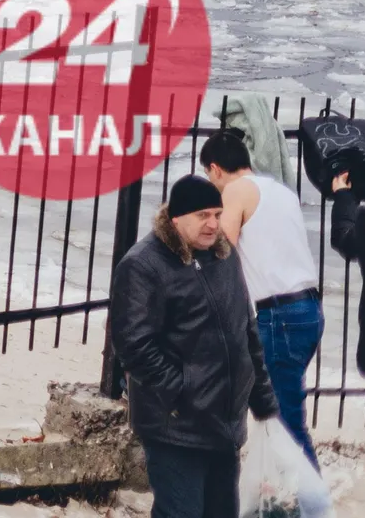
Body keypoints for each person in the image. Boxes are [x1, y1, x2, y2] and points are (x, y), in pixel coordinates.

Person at [114, 170, 277, 518]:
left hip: (225, 424)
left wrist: (262, 397)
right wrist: (182, 394)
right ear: (175, 219)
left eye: (217, 215)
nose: (213, 224)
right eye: (202, 216)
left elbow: (245, 328)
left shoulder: (224, 256)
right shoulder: (143, 265)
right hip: (176, 426)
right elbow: (134, 346)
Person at [204, 127, 327, 481]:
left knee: (284, 420)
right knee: (274, 409)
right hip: (307, 312)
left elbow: (221, 251)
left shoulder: (236, 191)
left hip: (280, 317)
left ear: (214, 169)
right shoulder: (280, 191)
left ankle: (312, 503)